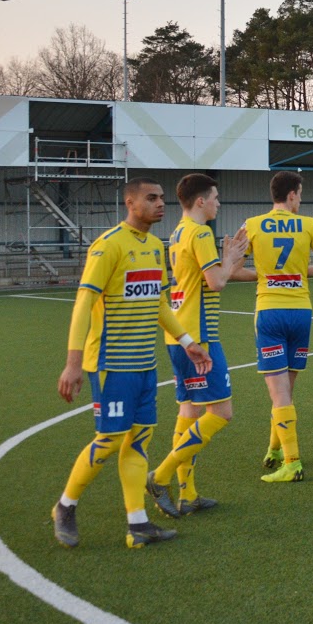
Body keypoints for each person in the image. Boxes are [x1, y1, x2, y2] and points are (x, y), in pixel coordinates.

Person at [51, 178, 210, 549]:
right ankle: (64, 506)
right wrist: (73, 364)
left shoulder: (156, 247)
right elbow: (83, 304)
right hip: (111, 362)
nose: (160, 204)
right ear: (130, 202)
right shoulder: (107, 246)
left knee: (139, 439)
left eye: (162, 198)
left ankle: (137, 524)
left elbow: (158, 304)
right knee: (108, 440)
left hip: (144, 363)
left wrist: (188, 343)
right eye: (151, 198)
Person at [144, 173, 249, 519]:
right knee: (221, 412)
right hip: (198, 337)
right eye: (216, 197)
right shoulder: (200, 232)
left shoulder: (177, 232)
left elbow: (206, 279)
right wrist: (230, 257)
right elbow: (216, 282)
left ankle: (188, 494)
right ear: (201, 201)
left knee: (188, 412)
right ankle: (159, 478)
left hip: (177, 333)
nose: (219, 202)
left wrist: (228, 261)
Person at [234, 171, 313, 483]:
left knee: (279, 393)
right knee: (286, 391)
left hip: (270, 312)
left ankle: (292, 463)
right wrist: (297, 273)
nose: (301, 199)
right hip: (301, 312)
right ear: (292, 194)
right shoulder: (309, 224)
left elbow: (231, 269)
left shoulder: (251, 224)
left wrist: (267, 275)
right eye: (300, 194)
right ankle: (276, 449)